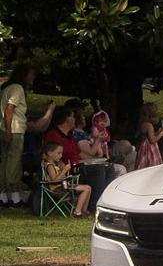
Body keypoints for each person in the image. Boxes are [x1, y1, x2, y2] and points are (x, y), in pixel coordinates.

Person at [1, 64, 55, 207]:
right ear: (24, 75)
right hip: (14, 129)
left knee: (5, 161)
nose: (33, 77)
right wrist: (8, 131)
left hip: (7, 128)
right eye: (31, 74)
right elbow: (9, 109)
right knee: (14, 162)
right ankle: (14, 196)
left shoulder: (7, 88)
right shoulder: (17, 88)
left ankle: (3, 195)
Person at [42, 106, 115, 211]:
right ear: (66, 119)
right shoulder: (54, 135)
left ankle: (105, 202)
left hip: (79, 165)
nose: (75, 119)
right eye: (72, 116)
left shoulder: (69, 136)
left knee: (108, 167)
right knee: (98, 170)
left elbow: (80, 154)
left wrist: (96, 161)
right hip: (69, 170)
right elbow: (48, 156)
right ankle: (94, 206)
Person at [42, 141, 92, 217]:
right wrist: (64, 170)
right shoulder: (50, 166)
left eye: (61, 153)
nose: (61, 156)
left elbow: (61, 178)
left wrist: (65, 172)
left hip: (63, 187)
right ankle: (77, 212)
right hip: (58, 189)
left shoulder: (55, 165)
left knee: (88, 187)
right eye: (58, 153)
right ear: (50, 153)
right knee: (86, 189)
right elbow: (54, 181)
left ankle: (83, 210)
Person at [136, 102, 163, 169]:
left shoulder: (143, 123)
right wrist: (161, 134)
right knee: (151, 165)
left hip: (143, 146)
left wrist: (157, 133)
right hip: (149, 149)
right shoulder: (149, 125)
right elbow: (152, 140)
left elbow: (149, 136)